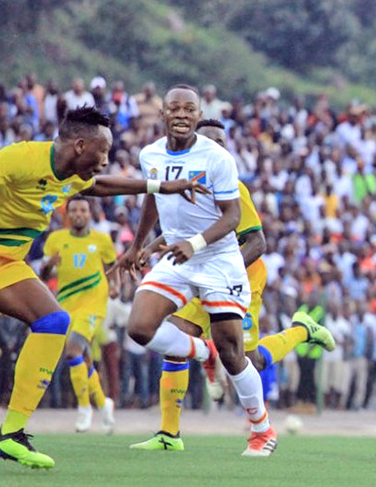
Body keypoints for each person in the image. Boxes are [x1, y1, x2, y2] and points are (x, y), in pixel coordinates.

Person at [0, 106, 207, 469]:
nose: (105, 161)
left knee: (54, 321)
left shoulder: (75, 173)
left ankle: (10, 434)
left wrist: (160, 186)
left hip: (4, 260)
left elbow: (99, 186)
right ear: (80, 145)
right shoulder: (22, 157)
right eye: (102, 152)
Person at [129, 119, 334, 452]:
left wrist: (223, 276)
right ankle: (168, 433)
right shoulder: (186, 181)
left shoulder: (234, 186)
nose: (217, 147)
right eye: (210, 141)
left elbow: (256, 242)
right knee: (175, 336)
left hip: (241, 275)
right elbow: (185, 228)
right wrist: (149, 247)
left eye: (221, 142)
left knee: (244, 357)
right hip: (196, 271)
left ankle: (301, 330)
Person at [115, 84, 278, 457]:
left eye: (190, 108)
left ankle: (262, 430)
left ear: (198, 112)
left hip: (218, 258)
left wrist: (195, 244)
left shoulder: (217, 159)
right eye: (176, 108)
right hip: (179, 256)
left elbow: (234, 218)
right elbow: (153, 198)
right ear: (163, 114)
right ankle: (202, 353)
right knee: (139, 329)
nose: (183, 114)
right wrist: (139, 245)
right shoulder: (150, 153)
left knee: (233, 352)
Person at [40, 196, 117, 433]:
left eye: (83, 210)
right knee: (83, 359)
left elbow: (113, 268)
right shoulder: (55, 239)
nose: (78, 214)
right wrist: (49, 264)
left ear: (89, 213)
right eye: (73, 210)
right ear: (67, 214)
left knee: (73, 350)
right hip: (67, 304)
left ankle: (84, 408)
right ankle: (104, 403)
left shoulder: (102, 240)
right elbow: (42, 275)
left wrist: (114, 286)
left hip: (93, 305)